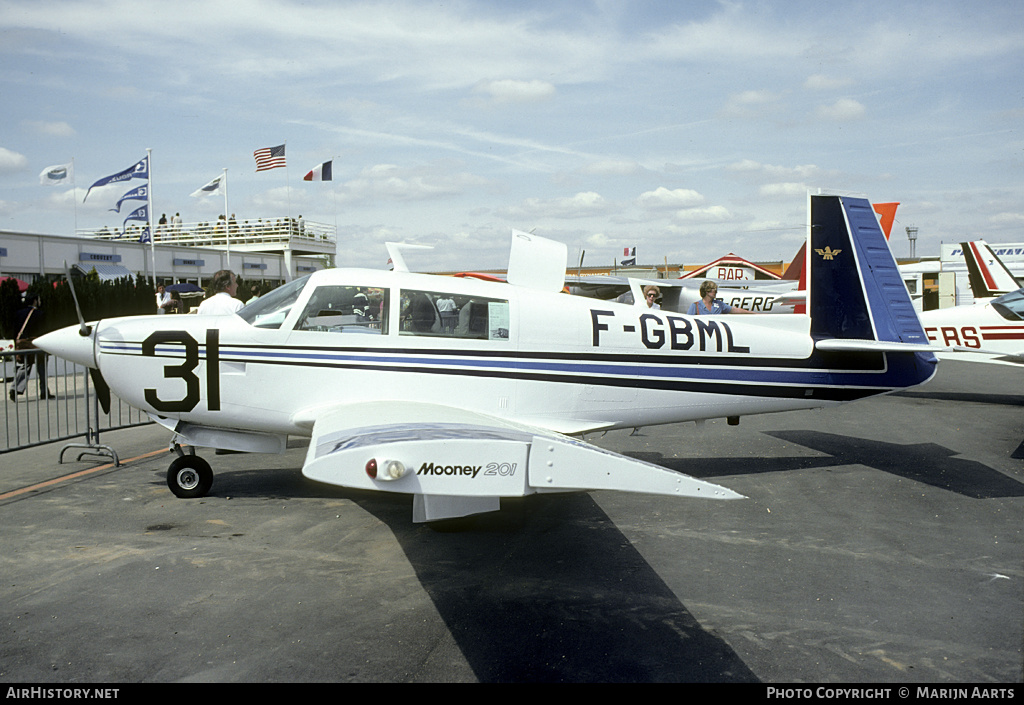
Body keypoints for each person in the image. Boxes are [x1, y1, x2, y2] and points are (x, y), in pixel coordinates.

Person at [10, 294, 53, 401]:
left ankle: (15, 388)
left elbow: (15, 330)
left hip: (24, 344)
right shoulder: (40, 314)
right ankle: (44, 392)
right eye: (38, 299)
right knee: (41, 367)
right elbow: (44, 330)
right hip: (37, 343)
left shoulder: (18, 313)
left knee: (24, 366)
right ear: (34, 301)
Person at [687, 281, 755, 315]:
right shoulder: (695, 306)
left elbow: (735, 310)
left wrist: (754, 314)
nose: (716, 291)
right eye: (713, 289)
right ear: (707, 291)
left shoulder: (719, 305)